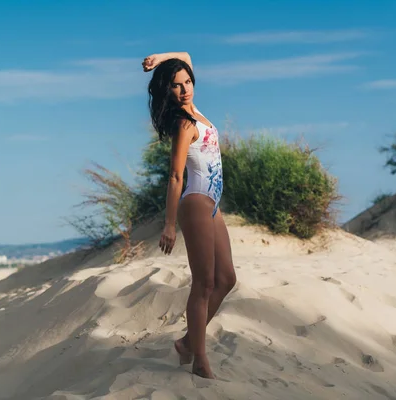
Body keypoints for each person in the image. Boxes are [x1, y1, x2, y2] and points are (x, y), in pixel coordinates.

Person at [142, 52, 237, 379]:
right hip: (195, 201)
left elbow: (185, 56)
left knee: (227, 279)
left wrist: (160, 59)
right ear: (167, 92)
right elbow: (175, 176)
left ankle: (186, 343)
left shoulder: (196, 110)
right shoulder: (184, 124)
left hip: (212, 203)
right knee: (205, 283)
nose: (184, 89)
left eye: (187, 82)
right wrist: (169, 224)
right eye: (176, 86)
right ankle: (199, 360)